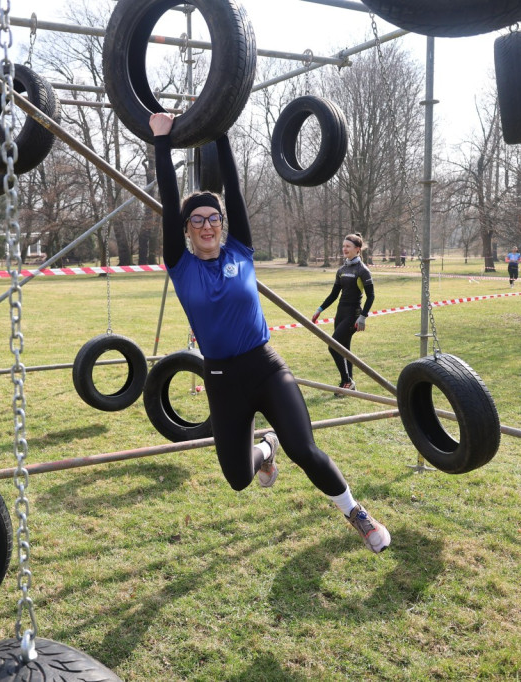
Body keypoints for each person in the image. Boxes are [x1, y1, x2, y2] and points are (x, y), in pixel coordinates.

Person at [151, 112, 390, 553]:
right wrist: (162, 142)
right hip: (221, 379)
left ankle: (356, 512)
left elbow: (234, 189)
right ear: (185, 231)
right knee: (238, 478)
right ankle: (266, 449)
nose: (207, 226)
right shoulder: (180, 266)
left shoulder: (240, 250)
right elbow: (169, 199)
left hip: (265, 367)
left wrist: (221, 131)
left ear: (223, 224)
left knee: (305, 449)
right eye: (197, 221)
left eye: (213, 218)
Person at [312, 234, 375, 392]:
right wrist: (320, 309)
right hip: (340, 314)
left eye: (348, 246)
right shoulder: (341, 270)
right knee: (344, 349)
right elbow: (334, 294)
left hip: (353, 315)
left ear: (357, 249)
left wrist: (363, 317)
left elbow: (371, 296)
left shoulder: (363, 270)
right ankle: (348, 384)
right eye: (343, 246)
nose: (344, 249)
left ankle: (347, 380)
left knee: (333, 347)